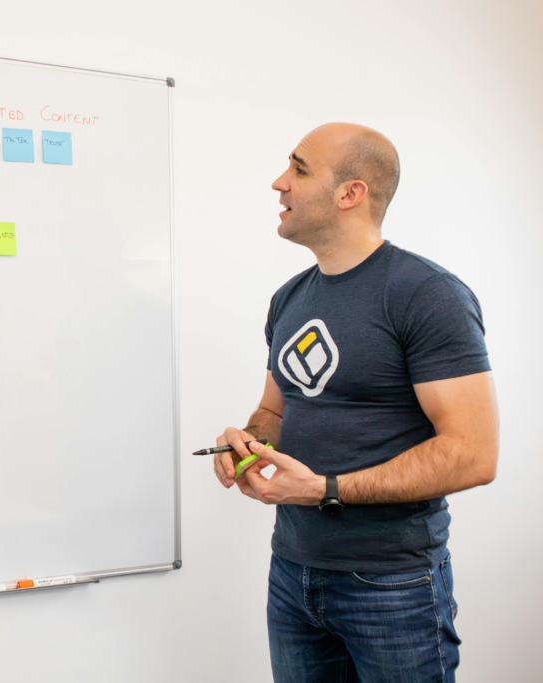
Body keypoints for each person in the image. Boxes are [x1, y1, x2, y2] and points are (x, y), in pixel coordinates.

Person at [213, 123, 498, 682]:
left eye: (298, 169)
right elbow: (274, 410)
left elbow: (473, 455)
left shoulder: (426, 294)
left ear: (350, 193)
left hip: (392, 584)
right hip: (293, 572)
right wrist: (249, 443)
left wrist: (323, 490)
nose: (279, 184)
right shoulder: (290, 298)